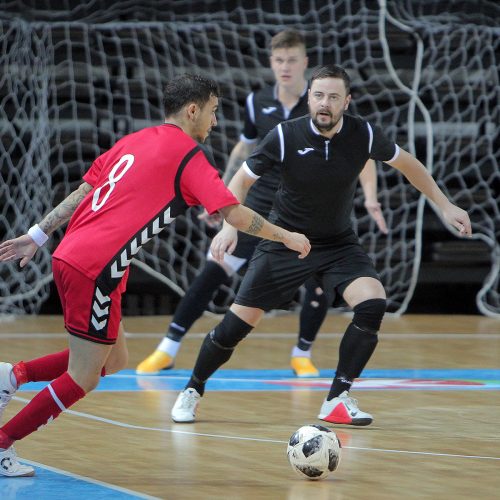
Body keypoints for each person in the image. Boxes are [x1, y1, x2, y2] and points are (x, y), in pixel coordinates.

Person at [0, 73, 310, 477]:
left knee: (115, 359)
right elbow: (233, 213)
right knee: (84, 376)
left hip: (80, 257)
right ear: (193, 110)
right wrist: (286, 235)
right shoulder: (188, 156)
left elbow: (85, 192)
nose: (215, 122)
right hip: (96, 267)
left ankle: (13, 375)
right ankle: (4, 443)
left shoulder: (135, 140)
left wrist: (38, 235)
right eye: (213, 112)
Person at [170, 64, 472, 426]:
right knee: (236, 327)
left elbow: (409, 164)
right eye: (317, 95)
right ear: (309, 99)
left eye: (332, 96)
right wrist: (229, 226)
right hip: (285, 240)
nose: (324, 103)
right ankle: (193, 388)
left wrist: (444, 204)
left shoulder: (363, 134)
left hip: (337, 243)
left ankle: (337, 399)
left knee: (373, 302)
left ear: (347, 101)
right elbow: (242, 179)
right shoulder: (285, 136)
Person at [136, 29, 387, 378]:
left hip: (304, 213)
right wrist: (221, 197)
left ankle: (302, 353)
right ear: (271, 62)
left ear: (305, 63)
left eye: (292, 59)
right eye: (279, 60)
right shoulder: (258, 102)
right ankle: (167, 349)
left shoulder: (321, 102)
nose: (285, 66)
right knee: (213, 271)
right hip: (255, 209)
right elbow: (243, 151)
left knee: (318, 284)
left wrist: (371, 197)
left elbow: (364, 155)